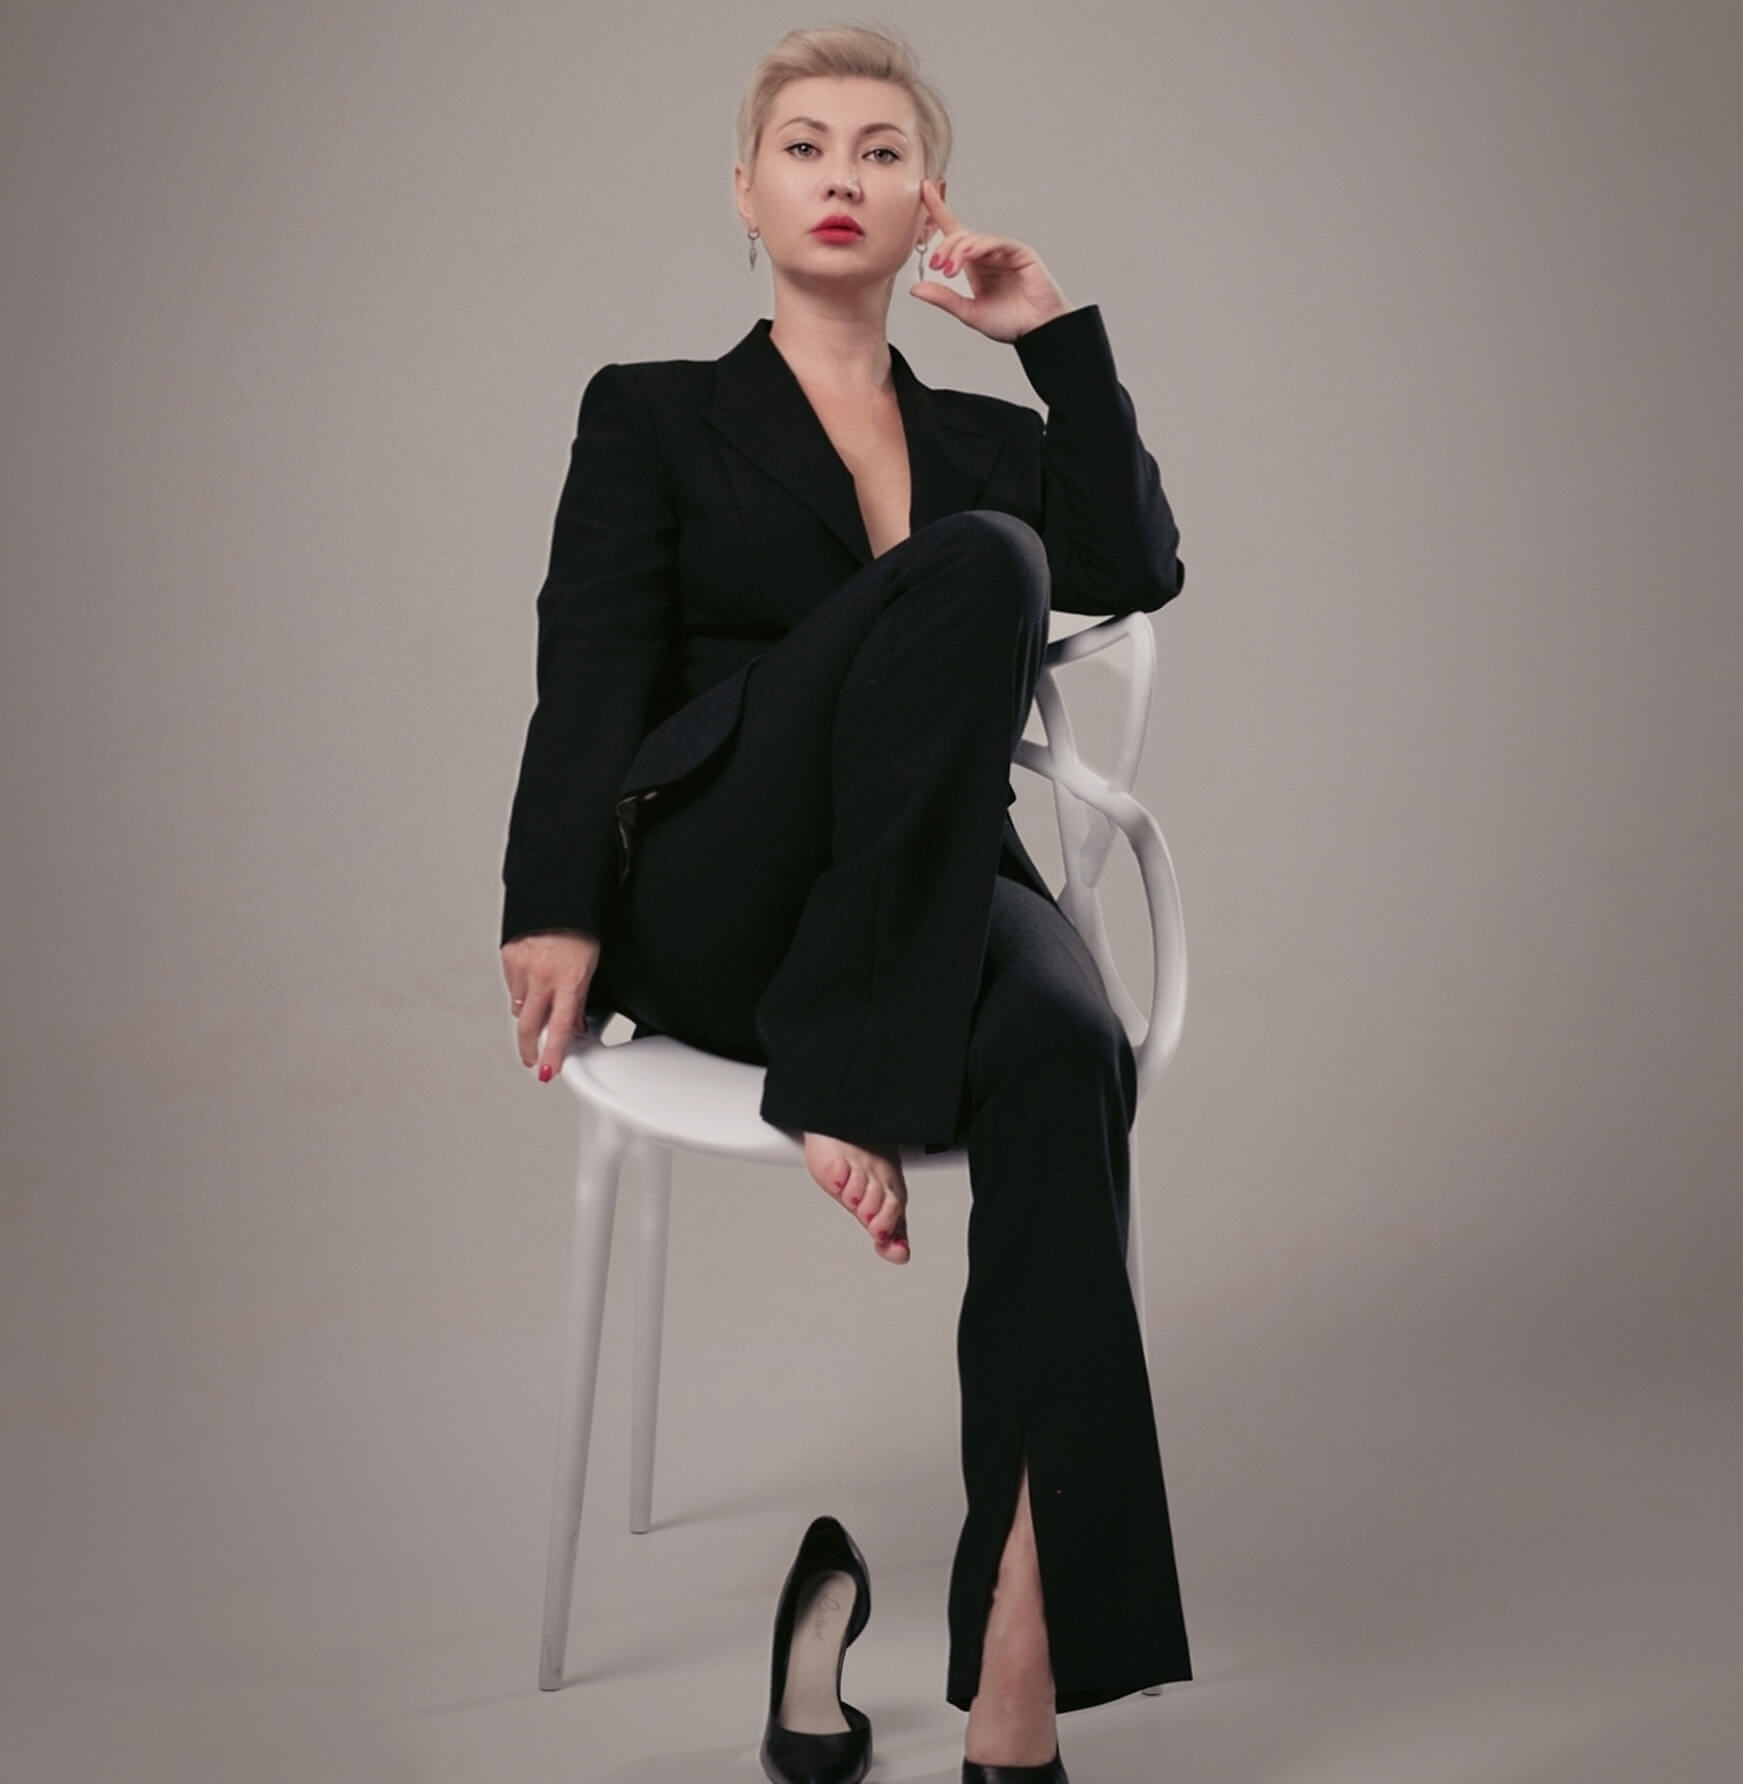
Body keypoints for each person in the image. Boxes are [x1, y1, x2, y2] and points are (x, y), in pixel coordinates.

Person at [498, 24, 1192, 1781]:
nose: (839, 176)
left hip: (930, 883)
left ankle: (1020, 1658)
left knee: (1070, 1047)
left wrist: (1053, 341)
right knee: (985, 562)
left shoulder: (978, 436)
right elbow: (592, 661)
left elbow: (1139, 564)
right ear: (745, 194)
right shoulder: (652, 411)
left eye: (880, 152)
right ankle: (851, 1065)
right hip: (724, 886)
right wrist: (552, 899)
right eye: (803, 146)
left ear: (923, 203)